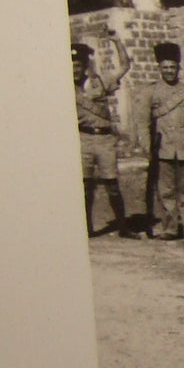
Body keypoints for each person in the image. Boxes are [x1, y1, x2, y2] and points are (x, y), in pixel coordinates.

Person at [136, 42, 184, 241]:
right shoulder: (150, 92)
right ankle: (170, 229)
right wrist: (146, 147)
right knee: (165, 191)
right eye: (165, 67)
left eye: (172, 67)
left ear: (178, 69)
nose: (169, 71)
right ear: (159, 68)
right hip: (162, 148)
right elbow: (142, 122)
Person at [73, 39, 136, 238]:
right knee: (85, 185)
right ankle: (87, 228)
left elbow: (125, 66)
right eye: (71, 66)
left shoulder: (99, 82)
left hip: (104, 139)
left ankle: (123, 227)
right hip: (82, 138)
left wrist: (116, 40)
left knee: (112, 184)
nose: (74, 70)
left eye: (78, 66)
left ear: (84, 66)